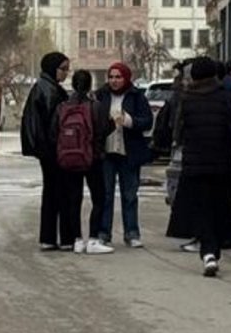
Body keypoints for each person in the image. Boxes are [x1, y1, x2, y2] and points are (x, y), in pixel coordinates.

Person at [157, 56, 231, 277]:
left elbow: (177, 132)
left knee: (202, 208)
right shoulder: (225, 97)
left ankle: (207, 252)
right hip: (223, 164)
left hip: (195, 165)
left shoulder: (187, 100)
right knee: (220, 206)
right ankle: (215, 249)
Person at [91, 61, 154, 250]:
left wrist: (129, 121)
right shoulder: (101, 96)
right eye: (111, 77)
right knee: (106, 195)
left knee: (129, 195)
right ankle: (104, 233)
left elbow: (147, 122)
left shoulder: (137, 97)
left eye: (118, 77)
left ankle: (132, 233)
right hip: (107, 153)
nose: (114, 80)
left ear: (126, 78)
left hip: (129, 153)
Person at [20, 51, 78, 251]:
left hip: (47, 150)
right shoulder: (50, 91)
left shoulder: (43, 88)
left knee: (51, 193)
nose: (65, 73)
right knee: (61, 193)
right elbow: (52, 124)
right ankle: (65, 238)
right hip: (53, 150)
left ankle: (49, 237)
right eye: (63, 69)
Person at [66, 69, 104, 254]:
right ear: (90, 85)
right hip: (92, 157)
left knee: (74, 199)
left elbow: (54, 132)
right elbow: (104, 129)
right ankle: (94, 239)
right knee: (99, 198)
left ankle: (77, 240)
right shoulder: (95, 106)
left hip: (70, 158)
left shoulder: (63, 106)